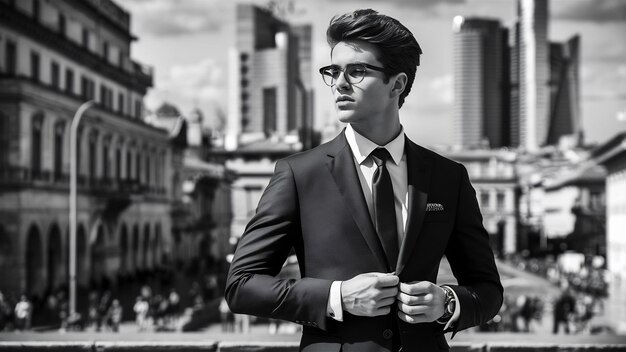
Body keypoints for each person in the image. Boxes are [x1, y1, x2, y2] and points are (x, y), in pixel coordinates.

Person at [225, 9, 503, 352]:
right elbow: (241, 285)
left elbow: (488, 290)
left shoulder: (449, 178)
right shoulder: (299, 174)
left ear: (397, 84)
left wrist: (446, 301)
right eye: (333, 71)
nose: (340, 83)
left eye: (357, 71)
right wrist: (337, 296)